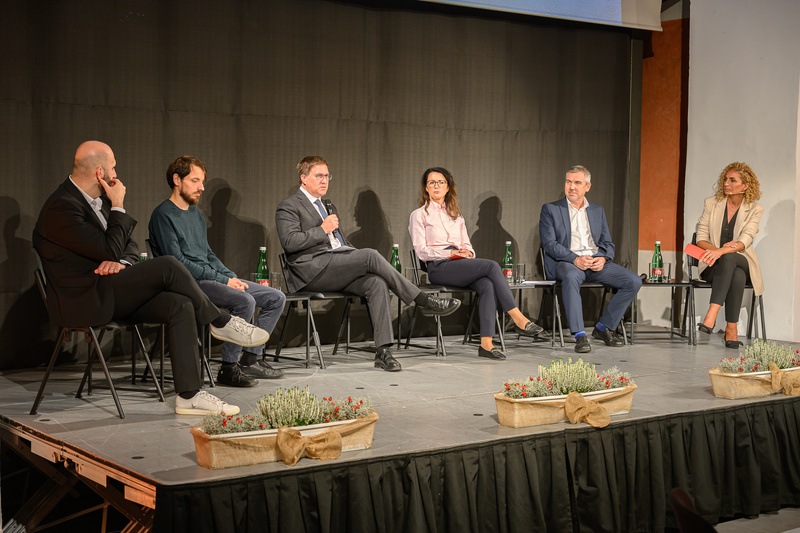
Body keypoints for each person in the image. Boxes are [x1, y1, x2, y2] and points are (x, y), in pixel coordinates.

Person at [33, 141, 269, 415]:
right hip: (84, 299)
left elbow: (128, 246)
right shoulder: (61, 207)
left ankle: (189, 396)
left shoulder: (98, 203)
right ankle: (220, 320)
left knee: (180, 304)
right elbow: (108, 246)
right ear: (100, 172)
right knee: (168, 264)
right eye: (112, 168)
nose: (115, 174)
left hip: (109, 290)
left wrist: (121, 262)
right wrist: (118, 205)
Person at [275, 155, 461, 372]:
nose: (324, 180)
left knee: (376, 282)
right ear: (303, 178)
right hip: (311, 271)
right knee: (370, 255)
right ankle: (422, 300)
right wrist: (322, 229)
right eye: (319, 176)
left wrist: (350, 252)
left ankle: (383, 351)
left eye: (327, 176)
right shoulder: (288, 206)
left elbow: (339, 243)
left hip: (335, 267)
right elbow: (289, 242)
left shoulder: (327, 205)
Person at [149, 156, 287, 386]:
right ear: (177, 180)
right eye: (195, 181)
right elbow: (178, 263)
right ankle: (228, 368)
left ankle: (250, 360)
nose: (201, 187)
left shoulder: (196, 214)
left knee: (275, 297)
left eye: (202, 181)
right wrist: (222, 279)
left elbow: (208, 254)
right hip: (186, 283)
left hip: (208, 277)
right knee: (245, 301)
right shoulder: (163, 215)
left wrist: (229, 276)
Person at [409, 167, 544, 360]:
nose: (436, 186)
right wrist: (450, 253)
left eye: (441, 182)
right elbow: (421, 251)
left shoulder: (456, 215)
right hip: (438, 267)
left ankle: (486, 345)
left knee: (487, 285)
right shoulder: (419, 215)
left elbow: (468, 247)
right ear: (426, 188)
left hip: (460, 265)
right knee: (491, 266)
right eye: (432, 182)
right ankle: (518, 318)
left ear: (448, 187)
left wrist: (467, 252)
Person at [539, 165, 642, 353]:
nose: (571, 187)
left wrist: (602, 258)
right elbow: (550, 245)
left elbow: (607, 243)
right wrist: (575, 259)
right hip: (567, 263)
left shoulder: (597, 210)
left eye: (577, 183)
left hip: (595, 262)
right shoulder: (551, 209)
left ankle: (603, 328)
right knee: (571, 277)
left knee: (633, 281)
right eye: (568, 182)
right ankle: (579, 335)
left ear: (587, 186)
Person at [695, 162, 763, 349]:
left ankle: (712, 314)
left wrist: (721, 251)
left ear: (746, 185)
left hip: (741, 260)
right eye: (725, 179)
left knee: (731, 258)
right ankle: (731, 329)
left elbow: (744, 240)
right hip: (712, 264)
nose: (727, 183)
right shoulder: (712, 204)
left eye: (733, 180)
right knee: (735, 272)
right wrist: (717, 253)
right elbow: (700, 238)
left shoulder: (755, 209)